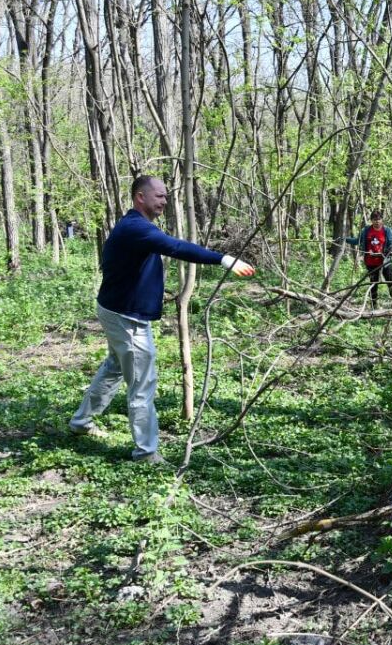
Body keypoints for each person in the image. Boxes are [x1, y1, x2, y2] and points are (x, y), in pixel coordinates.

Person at [69, 176, 255, 464]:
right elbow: (176, 247)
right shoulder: (136, 228)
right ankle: (146, 453)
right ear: (140, 197)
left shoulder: (134, 226)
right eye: (159, 196)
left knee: (114, 367)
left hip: (116, 310)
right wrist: (223, 259)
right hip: (126, 318)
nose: (164, 201)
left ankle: (82, 422)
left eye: (166, 196)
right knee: (142, 385)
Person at [346, 210, 392, 307]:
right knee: (373, 285)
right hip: (371, 262)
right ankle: (374, 305)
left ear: (382, 220)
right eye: (374, 220)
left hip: (385, 261)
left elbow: (391, 245)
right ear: (371, 220)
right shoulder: (366, 230)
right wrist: (345, 239)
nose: (377, 222)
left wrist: (382, 253)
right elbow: (357, 241)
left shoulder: (387, 230)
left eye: (379, 219)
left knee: (391, 281)